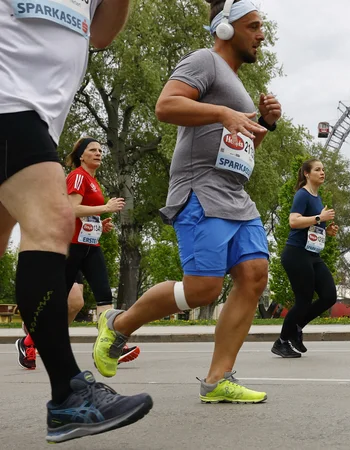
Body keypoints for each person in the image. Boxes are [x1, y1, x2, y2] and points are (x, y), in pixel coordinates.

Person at [92, 0, 281, 404]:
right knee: (202, 290)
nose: (261, 34)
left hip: (235, 195)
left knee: (254, 275)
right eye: (254, 26)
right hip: (201, 190)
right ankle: (118, 323)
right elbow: (166, 105)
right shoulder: (204, 61)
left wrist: (262, 122)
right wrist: (221, 113)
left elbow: (245, 144)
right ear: (226, 29)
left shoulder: (233, 81)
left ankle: (218, 379)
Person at [0, 0, 153, 443]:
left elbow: (100, 35)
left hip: (39, 120)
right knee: (51, 219)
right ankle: (68, 396)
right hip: (9, 106)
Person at [15, 138, 141, 369]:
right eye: (93, 150)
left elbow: (82, 215)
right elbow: (71, 209)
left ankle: (113, 345)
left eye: (101, 150)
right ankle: (29, 341)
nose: (98, 153)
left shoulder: (93, 180)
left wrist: (98, 225)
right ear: (81, 155)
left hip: (89, 247)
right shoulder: (78, 176)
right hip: (69, 247)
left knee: (103, 296)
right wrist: (105, 208)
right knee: (61, 301)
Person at [273, 159, 340, 358]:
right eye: (317, 169)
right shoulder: (302, 194)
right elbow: (294, 221)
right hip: (296, 253)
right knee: (303, 300)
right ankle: (282, 342)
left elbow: (310, 226)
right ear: (306, 174)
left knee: (329, 296)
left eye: (323, 169)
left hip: (312, 254)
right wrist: (320, 218)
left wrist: (326, 229)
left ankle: (296, 328)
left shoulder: (317, 197)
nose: (322, 172)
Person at [16, 271, 140, 369]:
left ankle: (111, 344)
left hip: (84, 243)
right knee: (74, 301)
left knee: (98, 295)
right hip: (60, 246)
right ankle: (30, 341)